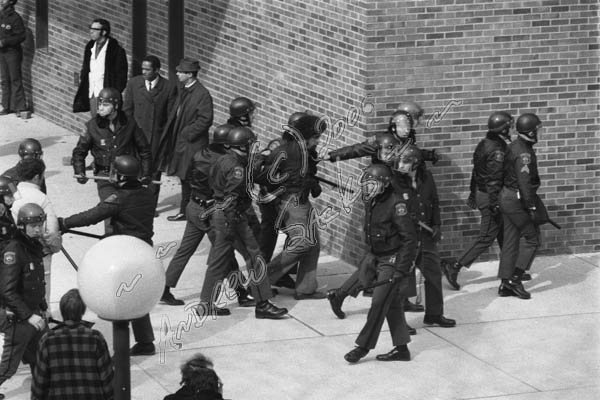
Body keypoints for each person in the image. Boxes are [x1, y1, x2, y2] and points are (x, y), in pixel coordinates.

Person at [58, 155, 157, 356]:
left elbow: (92, 216)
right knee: (137, 294)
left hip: (124, 253)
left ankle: (122, 348)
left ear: (120, 176)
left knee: (117, 295)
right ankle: (145, 341)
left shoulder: (118, 199)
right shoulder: (148, 193)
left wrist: (64, 223)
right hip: (144, 250)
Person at [326, 133, 423, 320]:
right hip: (387, 229)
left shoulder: (389, 169)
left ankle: (339, 295)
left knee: (369, 267)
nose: (390, 153)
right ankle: (399, 312)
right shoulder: (381, 174)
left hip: (387, 229)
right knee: (390, 266)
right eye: (386, 150)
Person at [198, 126, 287, 319]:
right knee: (255, 257)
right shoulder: (237, 169)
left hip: (220, 214)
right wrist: (232, 224)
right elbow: (233, 195)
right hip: (232, 217)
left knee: (219, 261)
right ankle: (263, 303)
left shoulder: (224, 160)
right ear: (244, 147)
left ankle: (205, 303)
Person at [161, 124, 254, 308]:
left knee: (184, 250)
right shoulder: (224, 162)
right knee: (223, 254)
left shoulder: (200, 154)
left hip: (194, 206)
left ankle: (164, 288)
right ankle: (241, 292)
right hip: (211, 212)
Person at [343, 164, 417, 363]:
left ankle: (363, 347)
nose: (368, 187)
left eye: (372, 183)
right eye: (367, 183)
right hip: (375, 255)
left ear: (384, 184)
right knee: (391, 304)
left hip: (391, 259)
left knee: (378, 303)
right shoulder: (372, 201)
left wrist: (401, 269)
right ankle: (402, 349)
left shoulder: (396, 205)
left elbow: (410, 239)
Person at [256, 114, 326, 300]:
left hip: (301, 201)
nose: (318, 141)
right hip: (291, 203)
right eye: (316, 137)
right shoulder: (284, 151)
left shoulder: (305, 152)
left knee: (313, 245)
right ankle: (262, 281)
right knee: (303, 242)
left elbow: (307, 173)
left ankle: (306, 288)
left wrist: (311, 182)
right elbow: (264, 177)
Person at [443, 111, 513, 290]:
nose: (511, 129)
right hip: (491, 196)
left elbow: (476, 172)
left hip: (483, 193)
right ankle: (455, 266)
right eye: (508, 127)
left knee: (504, 233)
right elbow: (494, 179)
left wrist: (473, 193)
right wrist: (495, 203)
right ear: (502, 130)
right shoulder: (498, 150)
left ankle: (510, 270)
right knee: (487, 236)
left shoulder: (484, 144)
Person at [71, 86, 152, 233]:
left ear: (116, 106)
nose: (100, 108)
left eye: (105, 104)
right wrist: (80, 171)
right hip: (104, 176)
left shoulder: (129, 123)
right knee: (109, 209)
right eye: (99, 104)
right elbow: (79, 152)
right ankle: (111, 241)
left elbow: (144, 150)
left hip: (127, 176)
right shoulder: (92, 126)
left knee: (130, 211)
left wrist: (146, 173)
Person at [392, 145, 456, 328]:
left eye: (405, 162)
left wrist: (437, 225)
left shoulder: (427, 178)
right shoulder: (394, 181)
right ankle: (400, 322)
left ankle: (435, 314)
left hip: (425, 235)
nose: (401, 165)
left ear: (416, 164)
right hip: (406, 238)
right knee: (403, 279)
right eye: (400, 161)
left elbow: (434, 201)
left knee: (434, 274)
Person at [0, 203, 49, 400]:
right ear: (22, 226)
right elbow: (7, 291)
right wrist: (29, 316)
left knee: (42, 354)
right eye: (33, 225)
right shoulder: (14, 250)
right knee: (9, 365)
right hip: (19, 318)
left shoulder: (33, 245)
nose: (38, 229)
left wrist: (43, 308)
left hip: (34, 313)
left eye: (40, 224)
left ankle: (43, 388)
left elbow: (37, 281)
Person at [31, 288, 114, 400]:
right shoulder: (95, 338)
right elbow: (107, 379)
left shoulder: (47, 340)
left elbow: (39, 383)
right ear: (83, 311)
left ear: (62, 311)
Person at [497, 113, 545, 300]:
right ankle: (515, 280)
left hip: (507, 197)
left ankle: (504, 283)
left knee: (510, 241)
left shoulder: (514, 146)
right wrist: (531, 207)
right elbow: (525, 183)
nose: (539, 132)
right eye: (537, 129)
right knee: (532, 240)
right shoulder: (524, 153)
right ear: (531, 132)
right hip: (517, 200)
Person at [123, 54, 177, 214]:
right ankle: (135, 203)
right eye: (143, 69)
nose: (144, 72)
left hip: (155, 138)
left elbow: (170, 117)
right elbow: (127, 110)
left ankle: (149, 207)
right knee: (135, 170)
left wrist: (165, 139)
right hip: (136, 135)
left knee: (153, 172)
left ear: (157, 70)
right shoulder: (134, 83)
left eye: (147, 69)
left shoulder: (167, 87)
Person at [161, 58, 214, 222]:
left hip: (192, 144)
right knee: (185, 178)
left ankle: (193, 211)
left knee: (191, 178)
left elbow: (205, 119)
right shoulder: (184, 89)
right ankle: (186, 211)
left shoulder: (202, 94)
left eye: (180, 72)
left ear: (190, 74)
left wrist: (186, 133)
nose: (177, 74)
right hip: (182, 142)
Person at [10, 158, 61, 304]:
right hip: (39, 252)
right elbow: (51, 231)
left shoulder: (12, 193)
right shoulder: (41, 198)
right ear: (37, 177)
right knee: (42, 288)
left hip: (13, 250)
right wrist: (54, 247)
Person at [72, 18, 128, 117]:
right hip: (93, 90)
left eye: (95, 29)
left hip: (107, 93)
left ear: (104, 32)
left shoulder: (116, 51)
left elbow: (121, 76)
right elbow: (86, 68)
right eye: (90, 28)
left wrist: (114, 93)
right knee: (95, 120)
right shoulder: (90, 47)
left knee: (107, 122)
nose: (91, 31)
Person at [0, 0, 26, 116]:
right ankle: (6, 106)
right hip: (2, 53)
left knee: (15, 78)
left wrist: (5, 42)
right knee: (4, 79)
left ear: (10, 2)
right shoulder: (1, 15)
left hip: (12, 52)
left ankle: (19, 107)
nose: (1, 1)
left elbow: (21, 36)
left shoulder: (15, 18)